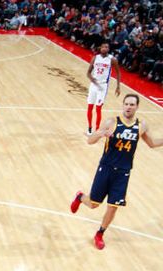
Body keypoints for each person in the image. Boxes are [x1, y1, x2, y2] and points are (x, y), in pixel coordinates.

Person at [70, 94, 163, 249]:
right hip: (106, 168)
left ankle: (100, 233)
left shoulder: (141, 125)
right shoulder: (111, 122)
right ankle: (80, 197)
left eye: (132, 104)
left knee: (113, 207)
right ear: (123, 105)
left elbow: (152, 143)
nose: (128, 107)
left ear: (137, 107)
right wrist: (101, 134)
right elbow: (90, 140)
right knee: (93, 204)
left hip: (123, 172)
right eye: (126, 104)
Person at [85, 42, 121, 136]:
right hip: (93, 85)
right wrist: (92, 79)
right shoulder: (95, 58)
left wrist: (118, 86)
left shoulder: (112, 59)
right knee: (90, 107)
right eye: (103, 47)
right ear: (100, 48)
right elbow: (88, 73)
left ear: (109, 49)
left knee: (98, 108)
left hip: (103, 86)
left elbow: (118, 73)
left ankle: (97, 130)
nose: (105, 48)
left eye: (107, 47)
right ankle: (89, 128)